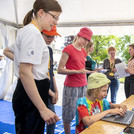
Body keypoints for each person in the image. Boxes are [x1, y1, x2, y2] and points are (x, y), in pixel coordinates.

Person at [4, 0, 62, 133]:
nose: (56, 22)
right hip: (29, 93)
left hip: (35, 89)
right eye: (55, 17)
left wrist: (48, 91)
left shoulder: (30, 32)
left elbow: (34, 71)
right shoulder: (32, 33)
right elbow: (25, 73)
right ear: (41, 13)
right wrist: (43, 109)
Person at [58, 27, 93, 134]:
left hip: (83, 85)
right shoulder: (68, 49)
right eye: (84, 39)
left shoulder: (83, 52)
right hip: (71, 85)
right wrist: (76, 72)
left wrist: (93, 71)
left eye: (88, 40)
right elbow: (60, 69)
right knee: (68, 112)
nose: (86, 42)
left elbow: (82, 69)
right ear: (78, 36)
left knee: (82, 112)